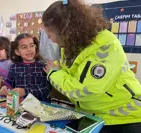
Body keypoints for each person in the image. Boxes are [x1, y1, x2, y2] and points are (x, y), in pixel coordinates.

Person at [43, 0, 141, 133]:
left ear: (66, 31)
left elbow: (85, 91)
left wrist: (54, 73)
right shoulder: (70, 43)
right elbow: (73, 68)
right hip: (92, 113)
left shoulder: (105, 45)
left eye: (50, 34)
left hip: (122, 117)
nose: (49, 38)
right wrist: (58, 67)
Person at [0, 33, 51, 101]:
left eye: (31, 46)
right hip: (19, 105)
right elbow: (9, 84)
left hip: (40, 106)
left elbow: (46, 89)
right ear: (17, 51)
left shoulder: (43, 67)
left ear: (35, 47)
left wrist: (25, 91)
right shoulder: (14, 67)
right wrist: (4, 88)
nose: (29, 49)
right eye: (24, 47)